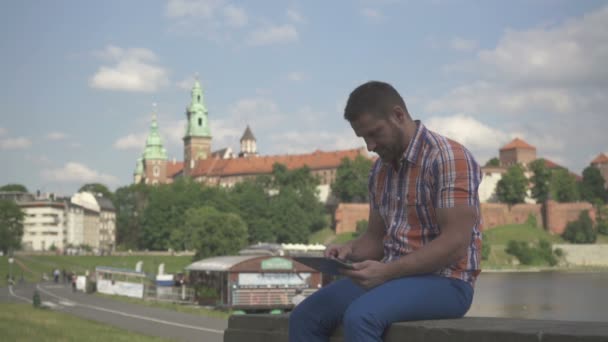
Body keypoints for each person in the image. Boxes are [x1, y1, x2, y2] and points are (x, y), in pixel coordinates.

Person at [289, 81, 483, 342]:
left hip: (448, 282)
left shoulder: (448, 157)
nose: (370, 145)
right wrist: (348, 251)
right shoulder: (380, 170)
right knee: (304, 316)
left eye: (375, 133)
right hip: (393, 279)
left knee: (361, 317)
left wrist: (387, 272)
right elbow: (375, 239)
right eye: (363, 138)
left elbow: (455, 243)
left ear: (398, 116)